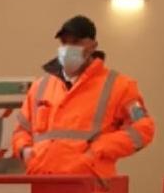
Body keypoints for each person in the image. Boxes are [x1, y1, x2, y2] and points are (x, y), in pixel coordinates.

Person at [10, 14, 154, 180]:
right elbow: (21, 130)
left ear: (93, 46)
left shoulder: (119, 86)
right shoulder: (40, 86)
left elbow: (143, 128)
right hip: (41, 181)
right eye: (64, 42)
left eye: (76, 42)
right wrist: (25, 151)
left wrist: (99, 150)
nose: (68, 48)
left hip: (89, 184)